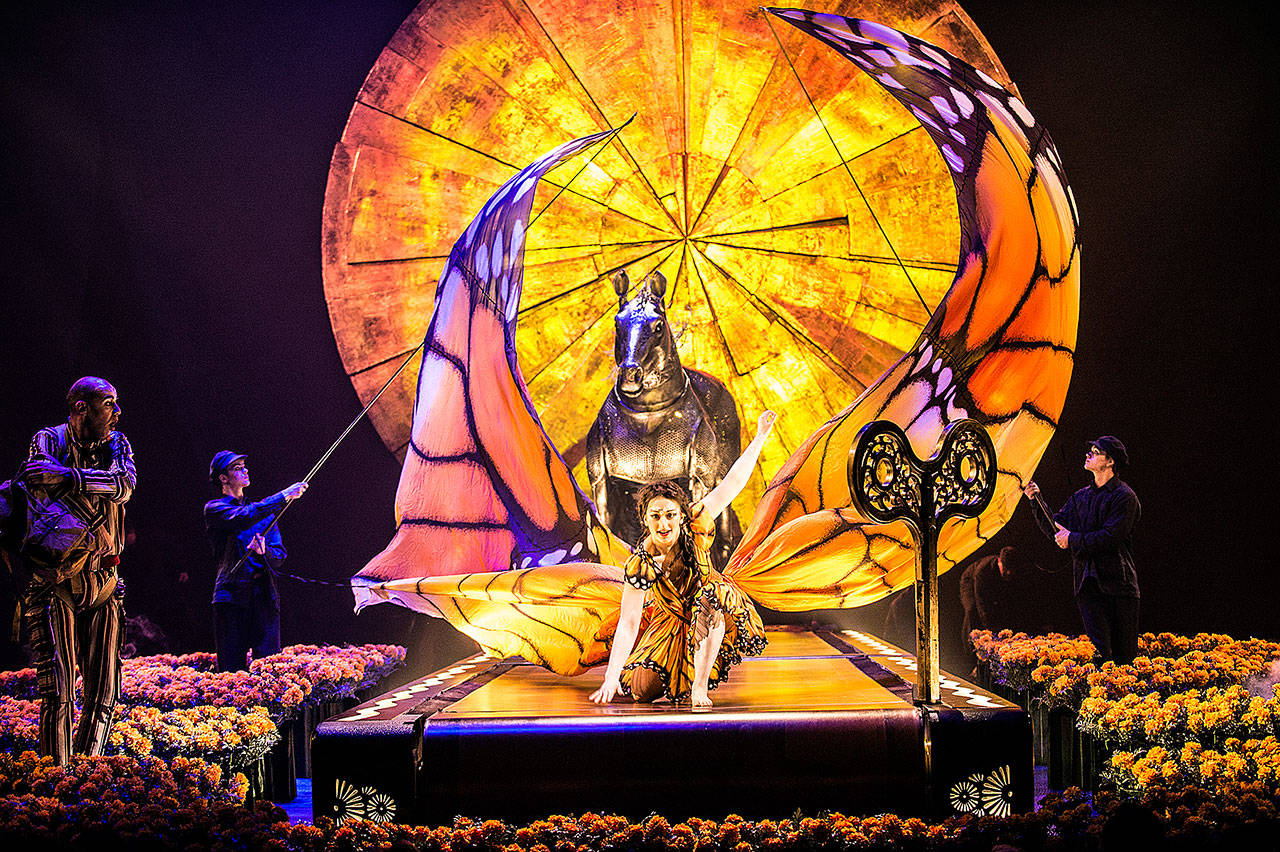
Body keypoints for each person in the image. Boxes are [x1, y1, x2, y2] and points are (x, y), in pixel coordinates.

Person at [590, 411, 774, 707]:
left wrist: (761, 437)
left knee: (712, 599)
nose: (664, 524)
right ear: (646, 520)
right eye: (656, 517)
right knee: (640, 692)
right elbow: (629, 621)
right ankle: (680, 673)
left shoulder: (697, 521)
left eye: (670, 516)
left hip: (708, 607)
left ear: (681, 516)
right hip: (670, 622)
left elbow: (732, 484)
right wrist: (611, 676)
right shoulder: (641, 563)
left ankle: (699, 686)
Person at [17, 376, 135, 764]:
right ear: (82, 407)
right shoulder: (48, 440)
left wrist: (69, 478)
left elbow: (124, 484)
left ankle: (86, 769)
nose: (116, 412)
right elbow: (39, 483)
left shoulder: (116, 443)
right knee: (59, 692)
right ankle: (56, 778)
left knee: (104, 693)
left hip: (104, 580)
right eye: (108, 403)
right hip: (58, 581)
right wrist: (77, 485)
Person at [1024, 436, 1141, 663]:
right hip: (1088, 585)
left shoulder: (1125, 497)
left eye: (1096, 451)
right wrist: (1036, 500)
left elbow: (1111, 537)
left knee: (1123, 656)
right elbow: (1056, 529)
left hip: (1119, 586)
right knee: (1099, 654)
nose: (1089, 454)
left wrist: (1074, 539)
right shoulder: (1081, 496)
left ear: (1110, 462)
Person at [204, 451, 306, 672]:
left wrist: (264, 551)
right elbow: (244, 517)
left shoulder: (265, 514)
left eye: (244, 466)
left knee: (269, 668)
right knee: (231, 669)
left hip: (263, 598)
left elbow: (279, 557)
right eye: (238, 467)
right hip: (231, 597)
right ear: (223, 477)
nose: (245, 470)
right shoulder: (215, 509)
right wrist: (283, 496)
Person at [959, 545, 1033, 674]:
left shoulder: (1010, 571)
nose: (1009, 573)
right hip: (970, 582)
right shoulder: (982, 571)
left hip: (992, 585)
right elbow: (981, 603)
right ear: (999, 562)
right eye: (1006, 569)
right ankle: (970, 656)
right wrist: (989, 628)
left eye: (1011, 570)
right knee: (972, 610)